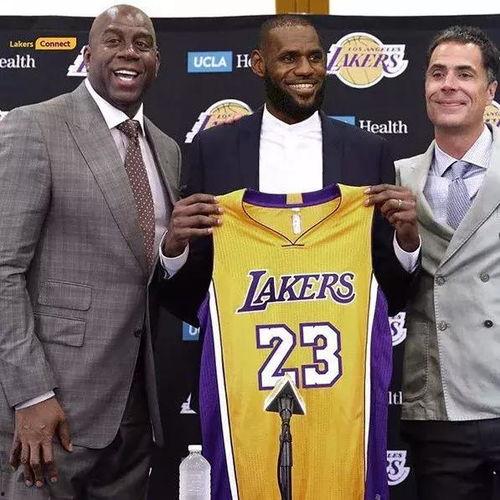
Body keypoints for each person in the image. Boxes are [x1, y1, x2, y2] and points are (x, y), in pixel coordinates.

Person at [0, 5, 181, 498]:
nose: (129, 53)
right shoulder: (35, 126)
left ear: (157, 61)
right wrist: (31, 393)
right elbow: (4, 271)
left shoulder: (166, 148)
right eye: (113, 40)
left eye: (142, 44)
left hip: (134, 414)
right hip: (51, 411)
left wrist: (174, 252)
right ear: (87, 55)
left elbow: (144, 269)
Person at [162, 15, 420, 318]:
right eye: (289, 58)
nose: (306, 69)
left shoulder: (368, 151)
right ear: (259, 64)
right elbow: (192, 288)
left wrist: (407, 244)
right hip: (242, 340)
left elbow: (391, 292)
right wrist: (174, 249)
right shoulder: (214, 150)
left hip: (341, 338)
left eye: (315, 57)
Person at [396, 25, 500, 500]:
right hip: (438, 405)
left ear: (490, 90)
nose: (449, 85)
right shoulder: (397, 178)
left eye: (464, 74)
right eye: (437, 74)